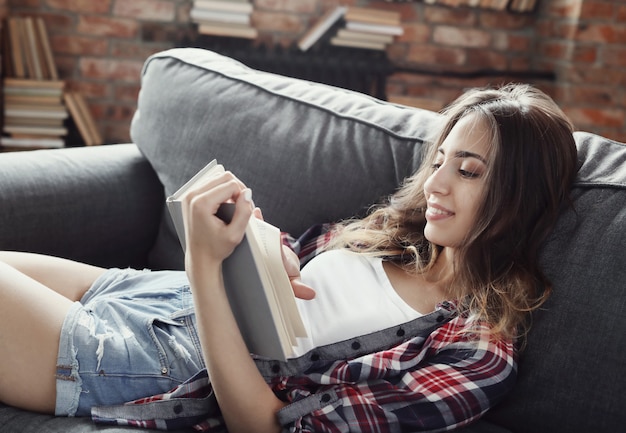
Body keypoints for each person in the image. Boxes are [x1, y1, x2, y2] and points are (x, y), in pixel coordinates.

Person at [0, 83, 578, 433]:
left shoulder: (475, 355)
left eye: (469, 172)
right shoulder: (394, 235)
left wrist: (204, 264)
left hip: (158, 359)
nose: (436, 184)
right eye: (441, 161)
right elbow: (291, 279)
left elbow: (262, 425)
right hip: (153, 295)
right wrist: (266, 250)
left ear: (519, 199)